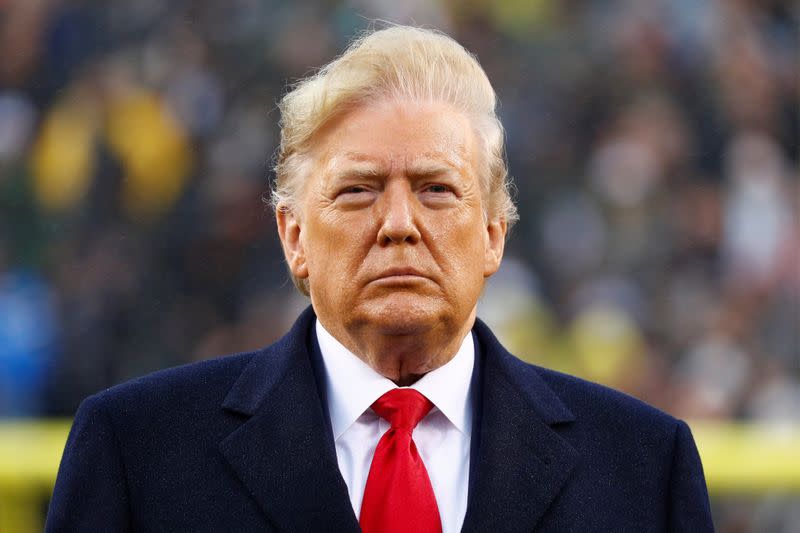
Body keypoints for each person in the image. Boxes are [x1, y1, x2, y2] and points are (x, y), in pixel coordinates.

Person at [47, 25, 714, 532]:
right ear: (294, 236)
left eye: (436, 189)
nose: (398, 223)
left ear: (493, 234)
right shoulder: (136, 451)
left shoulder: (643, 467)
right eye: (359, 190)